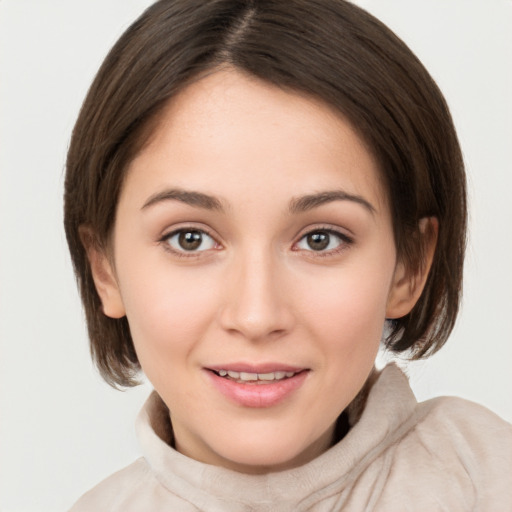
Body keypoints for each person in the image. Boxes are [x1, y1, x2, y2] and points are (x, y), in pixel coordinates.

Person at [64, 0, 512, 510]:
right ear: (105, 269)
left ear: (409, 264)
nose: (257, 316)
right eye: (190, 238)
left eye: (321, 239)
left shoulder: (492, 480)